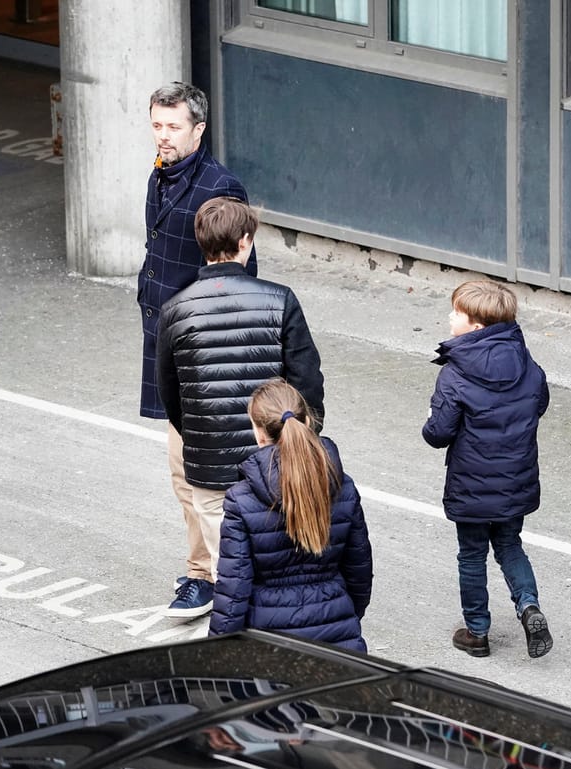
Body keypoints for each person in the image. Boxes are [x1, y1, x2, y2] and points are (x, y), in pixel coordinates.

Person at [157, 197, 323, 617]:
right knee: (283, 558)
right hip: (275, 459)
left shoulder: (175, 310)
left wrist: (197, 434)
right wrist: (302, 435)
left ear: (201, 242)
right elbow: (307, 380)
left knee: (228, 567)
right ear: (245, 241)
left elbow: (170, 395)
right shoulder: (280, 299)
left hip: (209, 466)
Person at [139, 82, 254, 615]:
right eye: (157, 125)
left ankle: (212, 577)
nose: (162, 136)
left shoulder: (220, 186)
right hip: (165, 343)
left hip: (203, 351)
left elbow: (237, 275)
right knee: (181, 473)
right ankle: (204, 573)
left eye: (173, 127)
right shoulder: (161, 174)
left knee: (204, 477)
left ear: (198, 130)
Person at [422, 280, 552, 659]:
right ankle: (528, 605)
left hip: (472, 485)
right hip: (516, 479)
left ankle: (477, 632)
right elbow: (539, 403)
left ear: (475, 326)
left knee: (472, 554)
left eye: (456, 313)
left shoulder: (456, 374)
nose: (450, 316)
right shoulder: (527, 364)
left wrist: (430, 418)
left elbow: (438, 433)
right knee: (510, 546)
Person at [210, 379, 372, 651]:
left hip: (269, 641)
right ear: (308, 421)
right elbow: (359, 570)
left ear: (259, 434)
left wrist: (217, 652)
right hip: (338, 633)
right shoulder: (342, 485)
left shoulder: (241, 500)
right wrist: (346, 616)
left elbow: (234, 589)